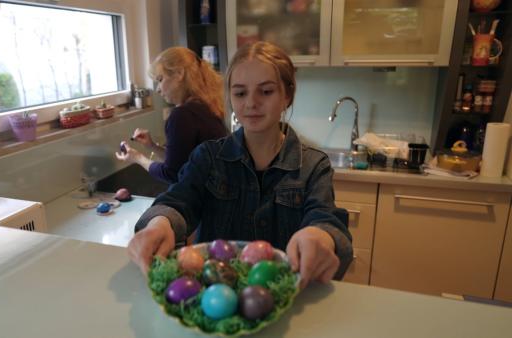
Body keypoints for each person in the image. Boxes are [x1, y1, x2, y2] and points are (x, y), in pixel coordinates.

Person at [128, 42, 353, 289]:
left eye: (266, 92)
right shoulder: (208, 157)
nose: (251, 103)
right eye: (240, 93)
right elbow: (178, 201)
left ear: (287, 95)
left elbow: (326, 219)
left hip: (284, 298)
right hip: (217, 297)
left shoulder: (312, 165)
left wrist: (321, 236)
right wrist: (160, 223)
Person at [115, 47, 228, 184]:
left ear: (179, 73)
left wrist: (137, 158)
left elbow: (173, 174)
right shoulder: (205, 106)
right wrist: (152, 146)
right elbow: (182, 162)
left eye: (160, 79)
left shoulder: (182, 115)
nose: (157, 89)